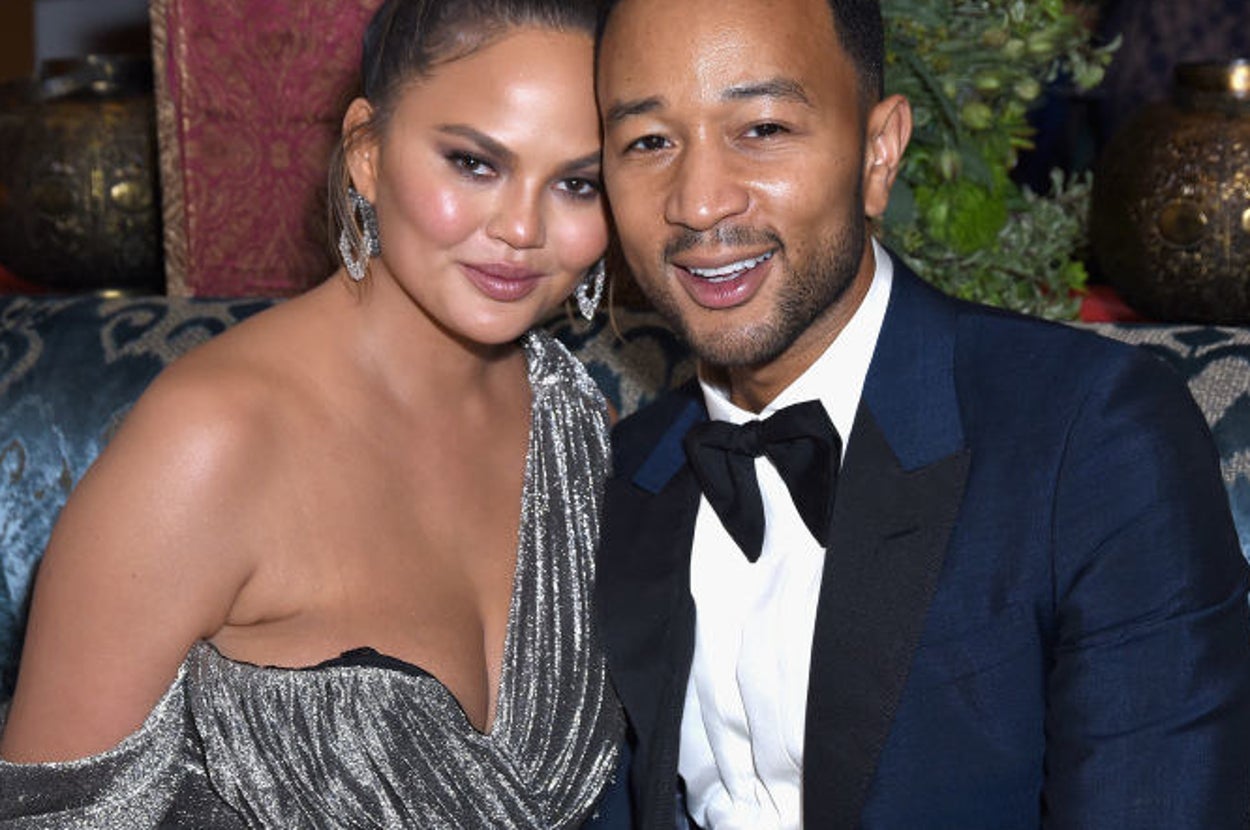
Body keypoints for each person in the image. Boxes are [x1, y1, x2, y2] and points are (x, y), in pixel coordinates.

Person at [592, 0, 1250, 827]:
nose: (698, 202)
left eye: (762, 129)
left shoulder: (1091, 438)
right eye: (648, 142)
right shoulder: (620, 475)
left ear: (878, 154)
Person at [0, 0, 622, 826]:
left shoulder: (587, 436)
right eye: (474, 164)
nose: (521, 228)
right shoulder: (209, 443)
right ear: (367, 153)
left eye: (578, 183)